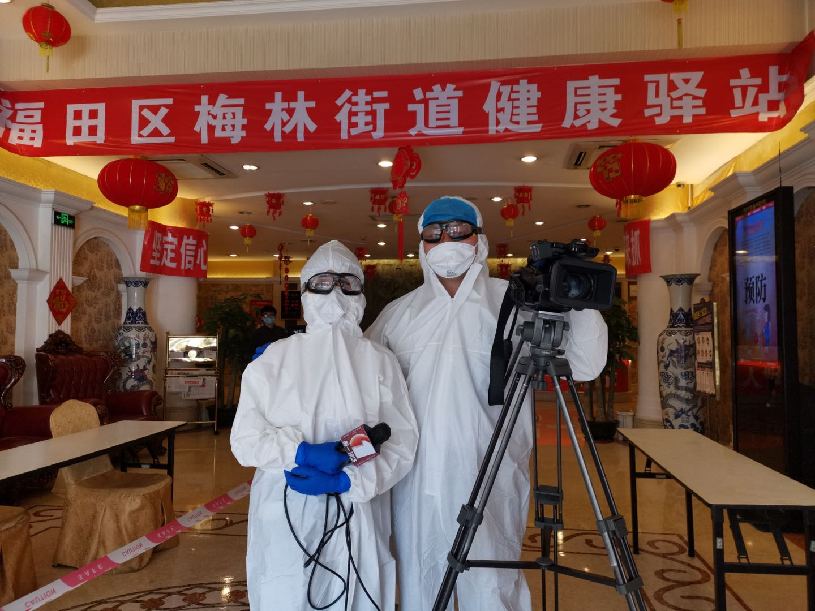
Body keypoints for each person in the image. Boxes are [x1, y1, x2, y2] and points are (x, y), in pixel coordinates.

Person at [365, 196, 608, 611]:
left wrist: (577, 300)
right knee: (420, 582)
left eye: (458, 230)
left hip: (491, 471)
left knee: (492, 585)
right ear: (421, 245)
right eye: (434, 232)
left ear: (479, 239)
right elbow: (363, 378)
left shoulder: (515, 304)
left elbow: (584, 364)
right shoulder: (398, 314)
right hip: (415, 477)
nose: (446, 240)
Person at [231, 240, 419, 611]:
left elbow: (402, 441)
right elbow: (245, 439)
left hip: (360, 511)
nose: (335, 292)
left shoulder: (381, 361)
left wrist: (352, 481)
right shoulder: (274, 360)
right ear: (305, 292)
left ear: (361, 294)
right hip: (288, 509)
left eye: (347, 282)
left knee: (358, 595)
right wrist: (298, 452)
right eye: (323, 282)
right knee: (288, 596)